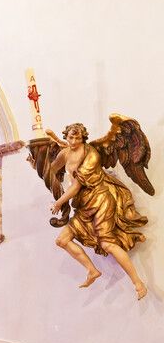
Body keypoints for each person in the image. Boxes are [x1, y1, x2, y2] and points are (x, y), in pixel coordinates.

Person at [48, 122, 149, 298]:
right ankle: (92, 271)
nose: (73, 141)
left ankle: (138, 283)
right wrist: (40, 159)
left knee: (108, 243)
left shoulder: (91, 155)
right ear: (66, 136)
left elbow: (76, 187)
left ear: (83, 137)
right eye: (70, 137)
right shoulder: (65, 153)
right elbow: (51, 169)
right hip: (83, 205)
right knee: (62, 240)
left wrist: (59, 202)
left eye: (77, 138)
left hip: (101, 200)